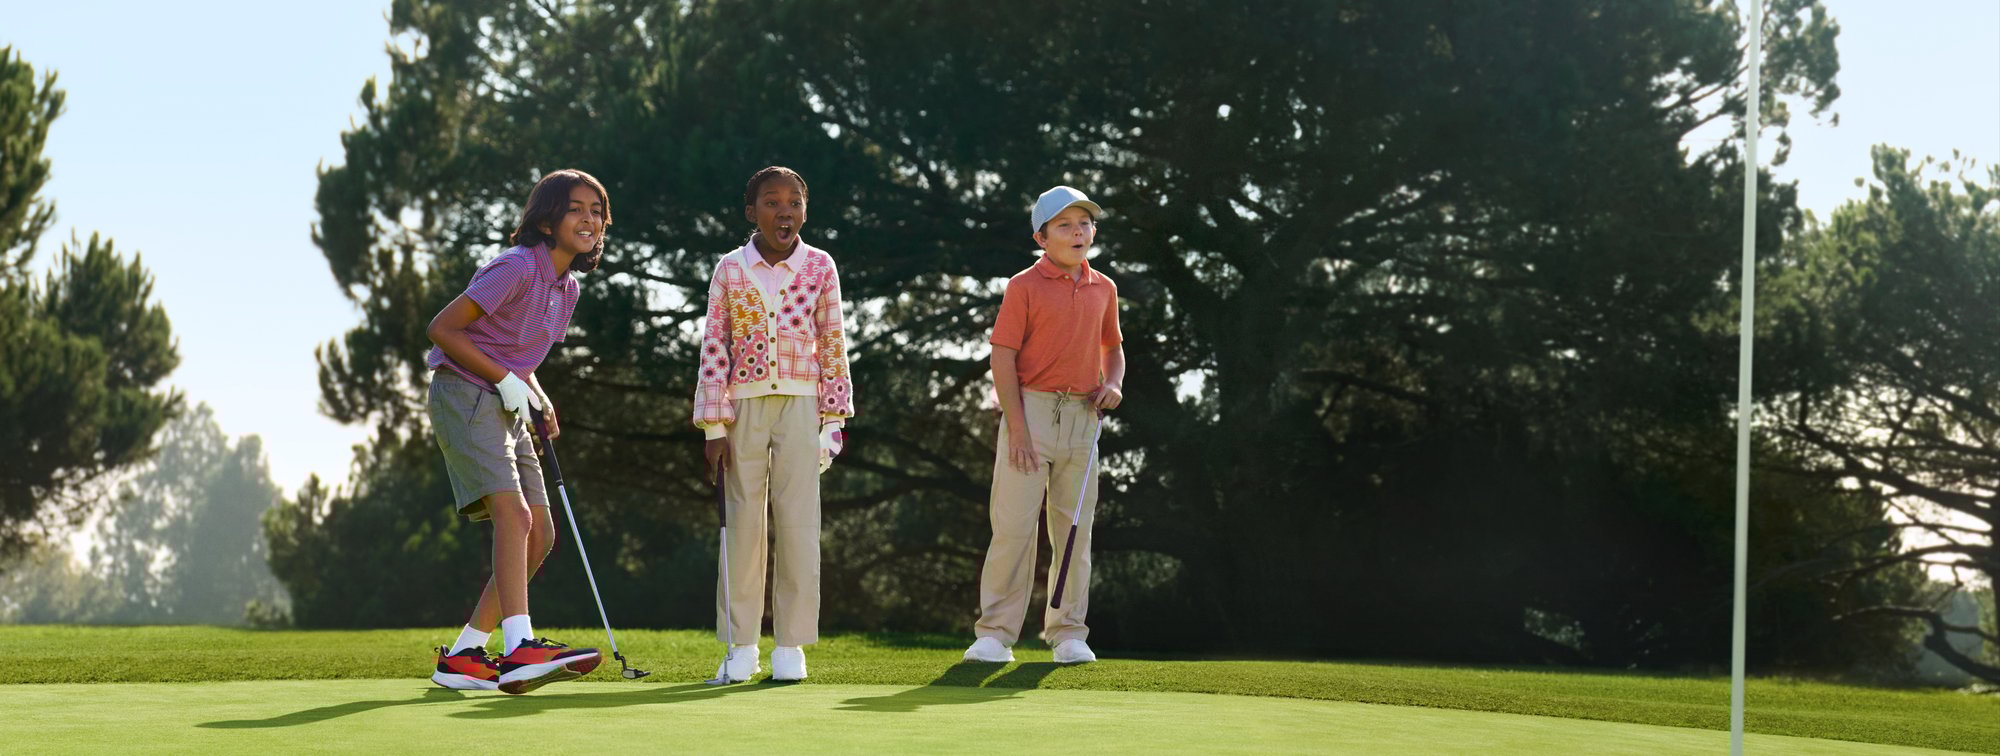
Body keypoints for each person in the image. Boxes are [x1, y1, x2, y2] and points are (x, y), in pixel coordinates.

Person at [425, 169, 608, 694]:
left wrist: (537, 395)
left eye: (597, 212)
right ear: (547, 220)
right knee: (515, 515)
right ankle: (520, 648)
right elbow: (442, 329)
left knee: (541, 533)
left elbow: (518, 356)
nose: (589, 219)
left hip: (505, 401)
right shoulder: (516, 267)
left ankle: (463, 655)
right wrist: (508, 381)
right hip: (463, 394)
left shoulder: (567, 288)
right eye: (576, 209)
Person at [694, 166, 854, 682]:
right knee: (742, 527)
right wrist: (714, 427)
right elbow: (715, 345)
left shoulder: (821, 266)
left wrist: (833, 421)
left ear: (804, 211)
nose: (784, 211)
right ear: (752, 212)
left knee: (799, 524)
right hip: (742, 408)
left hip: (803, 407)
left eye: (794, 202)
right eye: (771, 202)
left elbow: (832, 342)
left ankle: (791, 647)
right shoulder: (729, 268)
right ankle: (741, 647)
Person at [965, 185, 1124, 665]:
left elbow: (1112, 349)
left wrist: (1113, 383)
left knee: (1074, 531)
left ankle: (1069, 632)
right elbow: (1002, 356)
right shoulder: (1023, 286)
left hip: (1084, 417)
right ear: (1041, 237)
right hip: (1030, 412)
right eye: (1065, 225)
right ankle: (995, 635)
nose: (1078, 233)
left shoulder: (1104, 288)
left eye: (1085, 224)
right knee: (1013, 528)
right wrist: (1016, 428)